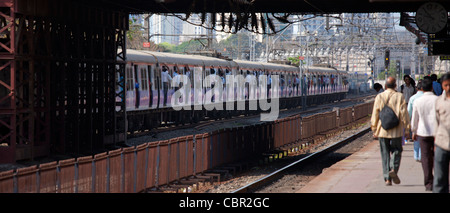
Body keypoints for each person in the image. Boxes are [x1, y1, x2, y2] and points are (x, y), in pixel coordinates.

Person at [371, 76, 411, 186]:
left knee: (384, 153)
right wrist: (407, 129)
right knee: (397, 150)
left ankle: (387, 179)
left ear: (385, 86)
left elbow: (375, 113)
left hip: (382, 130)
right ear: (395, 86)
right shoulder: (400, 96)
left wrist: (374, 128)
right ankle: (393, 168)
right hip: (396, 130)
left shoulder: (379, 96)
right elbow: (404, 113)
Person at [411, 78, 438, 191]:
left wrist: (414, 131)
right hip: (437, 133)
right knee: (437, 157)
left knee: (425, 158)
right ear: (432, 87)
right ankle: (438, 181)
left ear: (421, 88)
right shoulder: (438, 100)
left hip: (422, 133)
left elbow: (414, 118)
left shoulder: (417, 101)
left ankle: (428, 183)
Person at [433, 72, 450, 193]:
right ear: (443, 86)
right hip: (441, 143)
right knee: (439, 178)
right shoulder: (438, 102)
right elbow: (435, 123)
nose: (448, 88)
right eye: (446, 85)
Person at [407, 82, 423, 162]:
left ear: (417, 88)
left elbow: (409, 111)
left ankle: (416, 155)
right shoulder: (428, 97)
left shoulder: (413, 98)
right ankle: (421, 155)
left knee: (416, 138)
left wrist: (409, 121)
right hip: (424, 121)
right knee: (423, 138)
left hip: (415, 120)